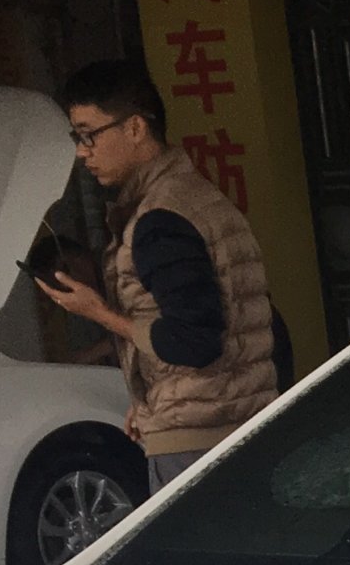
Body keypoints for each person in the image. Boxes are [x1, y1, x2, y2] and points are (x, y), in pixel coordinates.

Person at [42, 60, 279, 490]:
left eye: (89, 134)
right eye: (77, 138)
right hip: (237, 419)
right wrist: (149, 400)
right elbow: (246, 323)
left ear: (135, 127)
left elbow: (194, 341)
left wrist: (98, 312)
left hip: (199, 438)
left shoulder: (160, 219)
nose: (82, 152)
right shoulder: (194, 196)